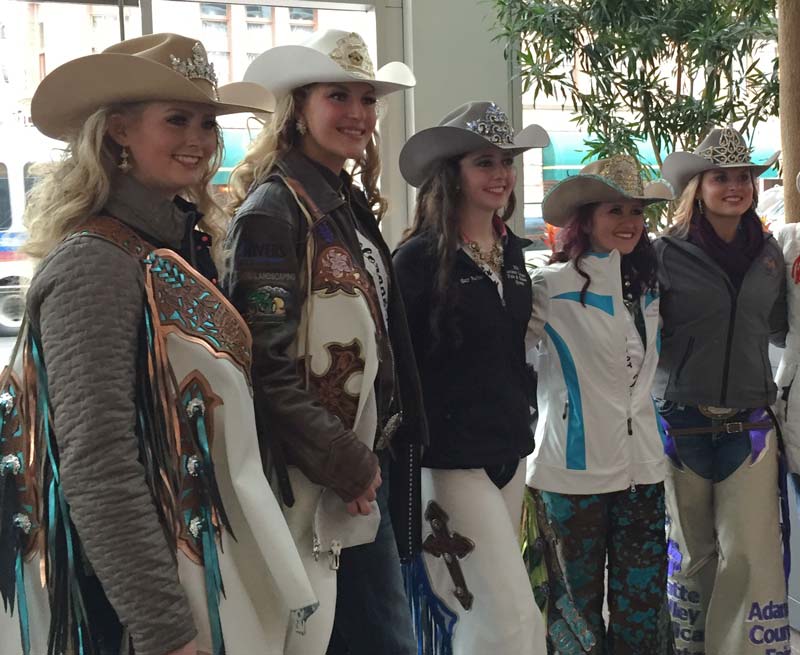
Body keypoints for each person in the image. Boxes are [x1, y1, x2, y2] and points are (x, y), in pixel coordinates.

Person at [0, 33, 317, 655]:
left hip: (190, 563)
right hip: (125, 597)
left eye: (206, 122)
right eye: (176, 119)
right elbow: (99, 463)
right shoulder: (96, 265)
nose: (199, 140)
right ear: (118, 130)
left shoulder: (166, 247)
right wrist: (164, 629)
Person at [224, 29, 426, 655]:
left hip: (358, 465)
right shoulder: (273, 212)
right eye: (339, 96)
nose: (359, 114)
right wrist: (344, 461)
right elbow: (264, 364)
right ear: (298, 109)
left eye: (367, 99)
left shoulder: (342, 202)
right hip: (318, 477)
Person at [391, 101, 549, 654]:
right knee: (511, 619)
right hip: (450, 460)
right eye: (485, 162)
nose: (502, 174)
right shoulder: (413, 262)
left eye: (506, 161)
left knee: (492, 617)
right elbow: (397, 372)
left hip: (510, 449)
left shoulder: (512, 256)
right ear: (451, 174)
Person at [526, 155, 674, 654]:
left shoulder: (648, 289)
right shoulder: (551, 287)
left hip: (645, 472)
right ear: (586, 219)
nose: (630, 222)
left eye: (636, 211)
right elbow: (510, 362)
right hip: (572, 475)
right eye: (616, 210)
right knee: (576, 613)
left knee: (642, 605)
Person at [656, 126, 788, 655]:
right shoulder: (664, 253)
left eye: (743, 178)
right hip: (682, 418)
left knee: (750, 555)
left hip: (750, 423)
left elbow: (778, 327)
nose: (734, 187)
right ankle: (690, 647)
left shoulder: (772, 255)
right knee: (691, 552)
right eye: (720, 178)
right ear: (698, 186)